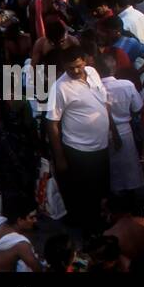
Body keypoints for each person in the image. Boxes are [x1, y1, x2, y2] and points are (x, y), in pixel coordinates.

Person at [44, 45, 114, 237]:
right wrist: (60, 158)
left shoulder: (92, 72)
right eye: (70, 68)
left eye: (78, 66)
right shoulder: (59, 87)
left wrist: (113, 131)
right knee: (85, 196)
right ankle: (89, 232)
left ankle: (102, 225)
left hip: (101, 146)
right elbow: (52, 124)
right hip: (79, 151)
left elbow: (104, 102)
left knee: (102, 190)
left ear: (85, 61)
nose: (75, 71)